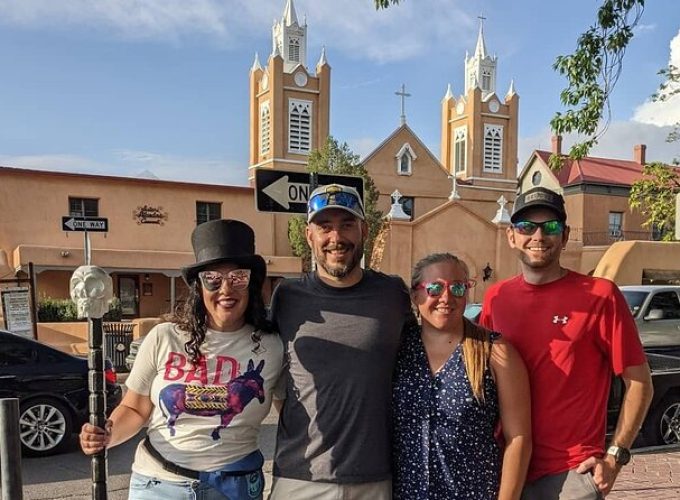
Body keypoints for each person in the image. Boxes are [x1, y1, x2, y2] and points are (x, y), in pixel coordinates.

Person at [79, 219, 283, 500]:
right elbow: (136, 409)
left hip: (234, 487)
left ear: (251, 284)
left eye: (238, 277)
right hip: (159, 485)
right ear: (199, 287)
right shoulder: (164, 337)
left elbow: (291, 415)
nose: (226, 289)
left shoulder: (271, 346)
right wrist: (106, 435)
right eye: (213, 278)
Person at [479, 187, 654, 499]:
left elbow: (640, 383)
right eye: (526, 227)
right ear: (511, 236)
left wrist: (615, 456)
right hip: (508, 469)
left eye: (550, 227)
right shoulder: (497, 298)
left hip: (572, 474)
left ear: (565, 234)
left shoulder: (600, 295)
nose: (538, 236)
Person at [268, 183, 415, 500]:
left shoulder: (393, 294)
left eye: (347, 225)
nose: (336, 238)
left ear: (364, 230)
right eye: (325, 227)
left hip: (374, 479)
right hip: (300, 479)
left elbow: (427, 355)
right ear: (310, 236)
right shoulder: (287, 296)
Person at [392, 252, 531, 500]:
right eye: (434, 288)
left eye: (457, 287)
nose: (446, 297)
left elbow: (519, 438)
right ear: (415, 295)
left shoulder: (493, 350)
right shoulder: (397, 348)